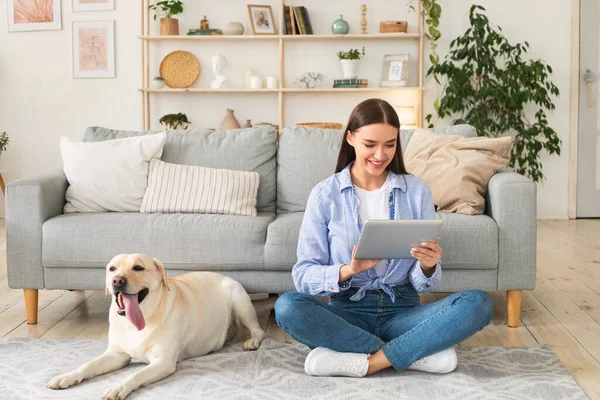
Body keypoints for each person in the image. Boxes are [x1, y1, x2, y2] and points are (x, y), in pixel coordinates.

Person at [274, 98, 494, 378]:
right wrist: (349, 270)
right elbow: (304, 276)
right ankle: (409, 353)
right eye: (370, 145)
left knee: (479, 303)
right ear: (350, 138)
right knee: (287, 307)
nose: (380, 154)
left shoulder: (417, 190)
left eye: (389, 145)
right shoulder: (324, 194)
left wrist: (428, 265)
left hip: (403, 312)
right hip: (347, 312)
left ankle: (370, 360)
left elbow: (423, 283)